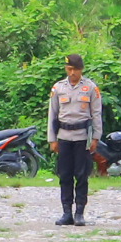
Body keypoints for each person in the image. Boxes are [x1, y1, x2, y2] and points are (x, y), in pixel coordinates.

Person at [47, 54, 103, 226]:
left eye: (75, 70)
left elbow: (96, 114)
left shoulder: (90, 88)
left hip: (82, 138)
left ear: (81, 70)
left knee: (82, 175)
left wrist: (96, 137)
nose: (72, 73)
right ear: (66, 69)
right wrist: (52, 139)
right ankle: (66, 212)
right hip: (64, 136)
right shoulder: (58, 88)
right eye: (69, 69)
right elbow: (52, 114)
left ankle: (79, 212)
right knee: (64, 175)